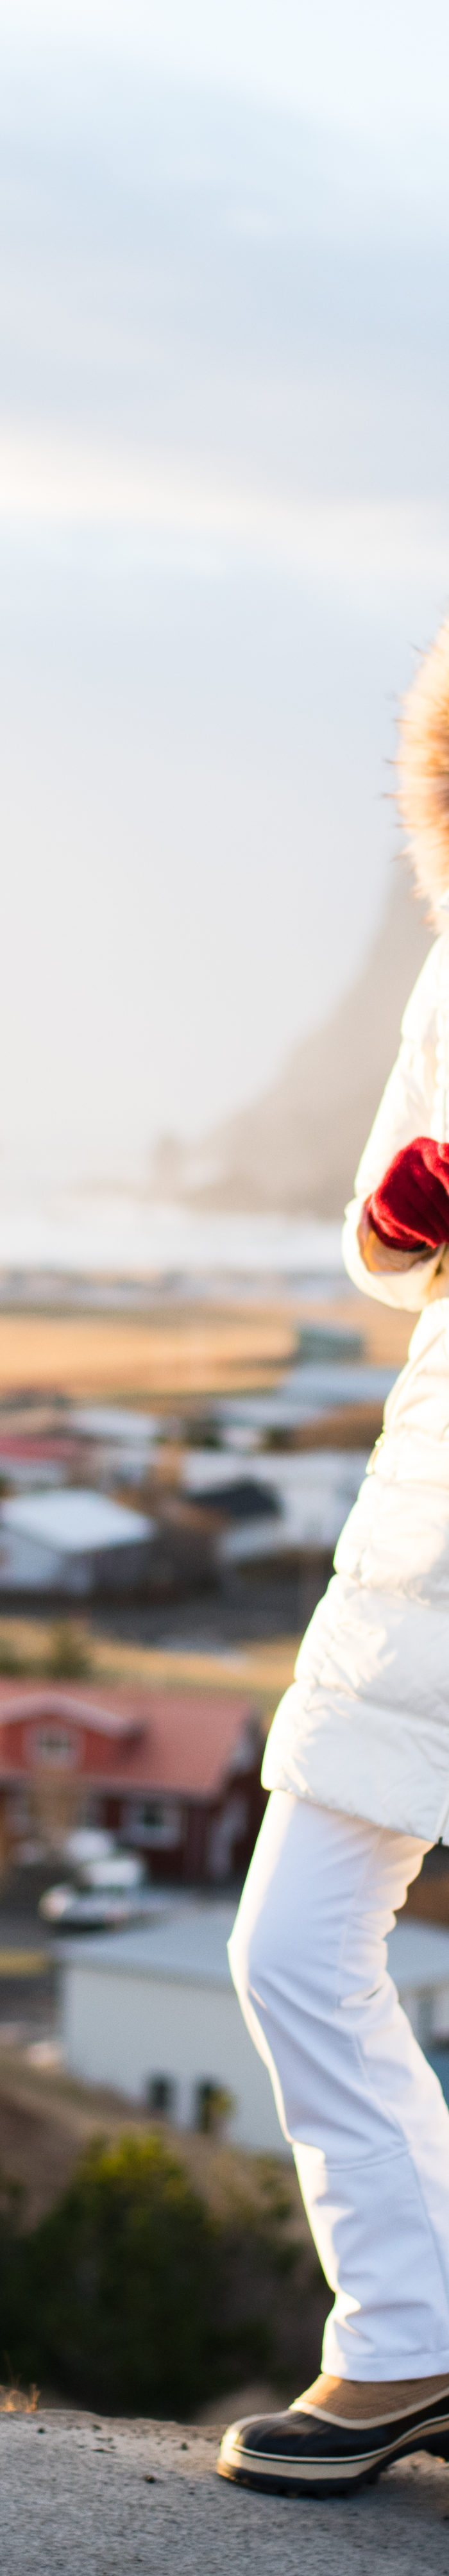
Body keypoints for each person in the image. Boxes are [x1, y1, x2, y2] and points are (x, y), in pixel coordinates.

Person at [218, 619, 449, 2498]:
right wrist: (404, 1209)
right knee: (292, 1939)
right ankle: (412, 2340)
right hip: (428, 1531)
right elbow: (379, 1248)